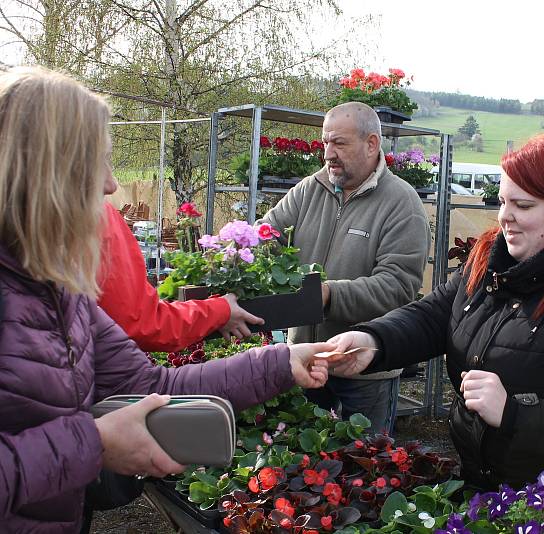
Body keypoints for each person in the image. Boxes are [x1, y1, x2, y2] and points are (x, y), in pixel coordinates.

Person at [0, 66, 334, 532]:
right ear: (48, 173)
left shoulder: (62, 292)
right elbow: (145, 324)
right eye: (99, 162)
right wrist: (91, 443)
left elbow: (155, 386)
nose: (112, 186)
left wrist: (281, 362)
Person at [322, 134, 544, 489]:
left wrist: (514, 414)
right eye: (503, 201)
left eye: (524, 205)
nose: (505, 217)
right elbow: (434, 316)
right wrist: (372, 340)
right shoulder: (489, 263)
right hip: (486, 488)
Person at [257, 102, 430, 433]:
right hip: (306, 360)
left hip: (365, 370)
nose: (328, 153)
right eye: (325, 142)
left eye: (339, 143)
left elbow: (398, 287)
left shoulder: (401, 203)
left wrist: (328, 294)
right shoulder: (310, 189)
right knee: (299, 464)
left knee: (362, 468)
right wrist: (238, 254)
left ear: (371, 144)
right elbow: (268, 233)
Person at [98, 197, 264, 351]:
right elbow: (142, 324)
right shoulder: (96, 217)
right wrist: (220, 311)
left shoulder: (92, 213)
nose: (112, 184)